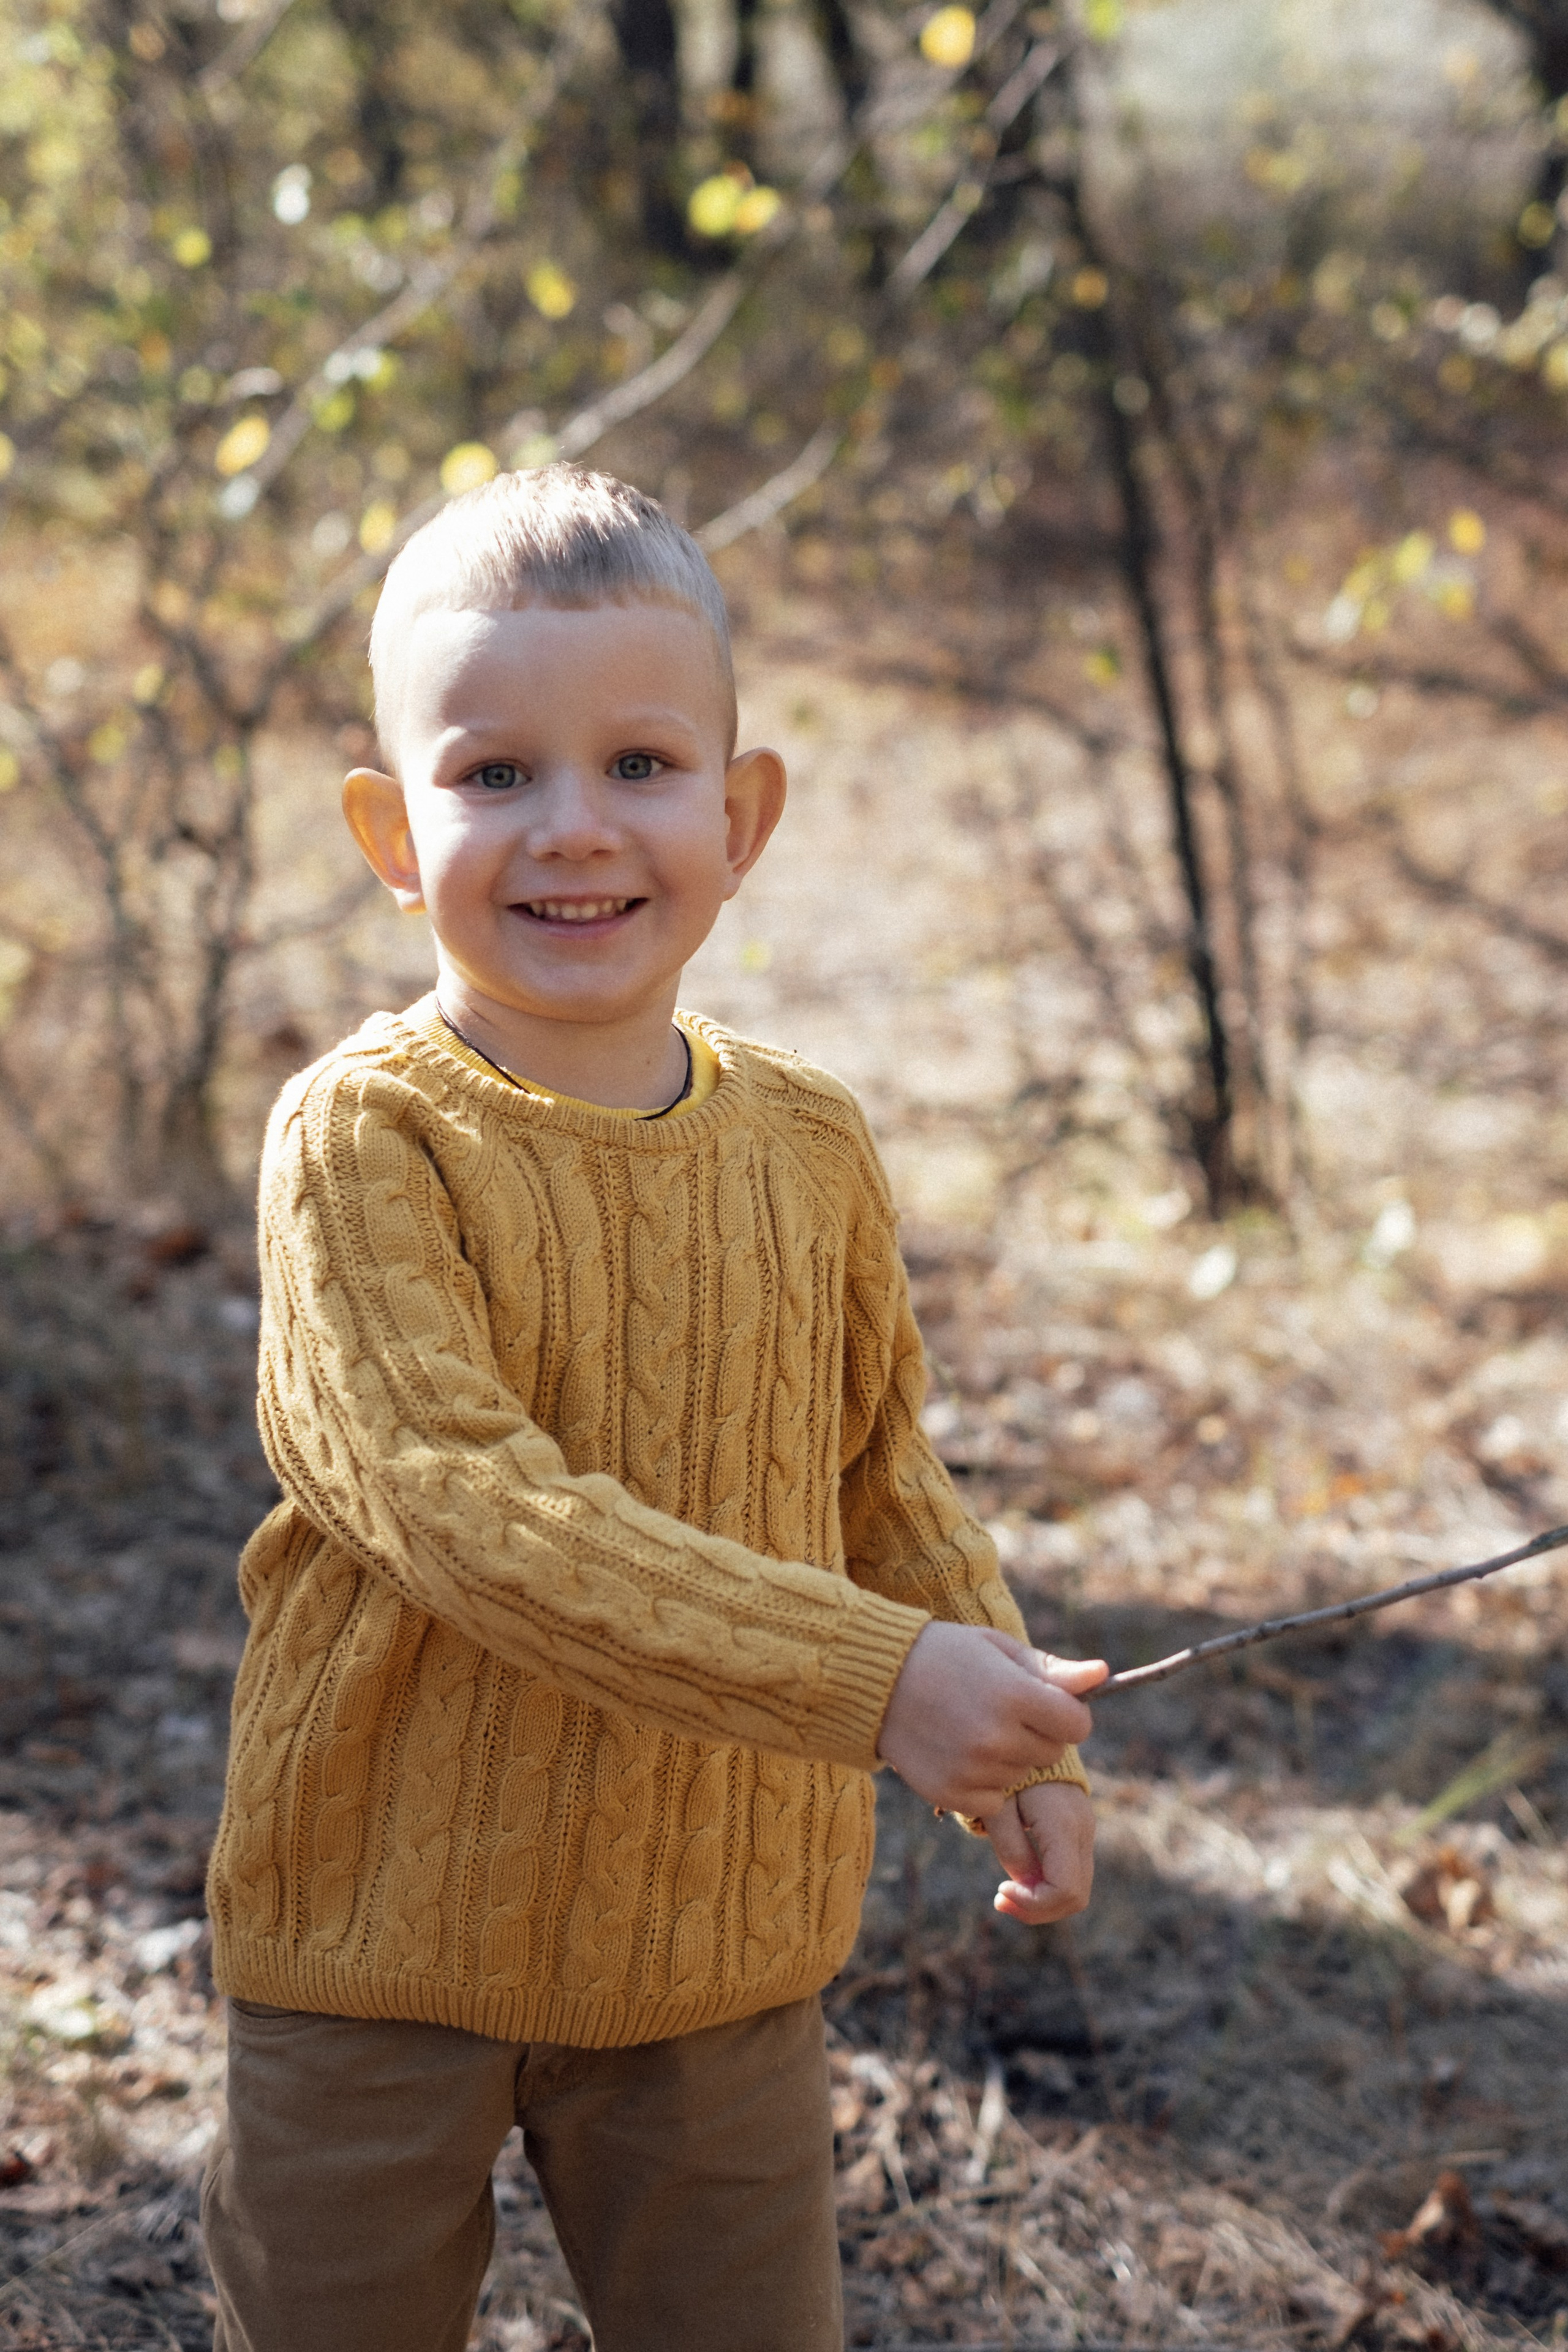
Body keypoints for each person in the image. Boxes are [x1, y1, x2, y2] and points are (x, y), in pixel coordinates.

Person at [200, 463, 1106, 2352]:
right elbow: (462, 1505)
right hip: (380, 1943)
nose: (574, 828)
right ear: (391, 830)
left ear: (740, 812)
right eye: (494, 773)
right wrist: (878, 1680)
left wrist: (1014, 1721)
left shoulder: (806, 1140)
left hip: (718, 1950)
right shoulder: (365, 1138)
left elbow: (882, 1478)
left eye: (639, 763)